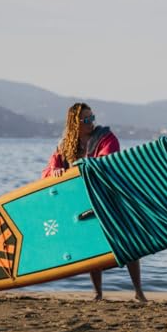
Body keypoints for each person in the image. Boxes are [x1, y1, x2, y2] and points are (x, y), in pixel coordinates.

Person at [41, 102, 148, 302]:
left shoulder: (107, 138)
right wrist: (56, 170)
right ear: (75, 123)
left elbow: (107, 162)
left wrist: (77, 167)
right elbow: (49, 171)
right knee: (93, 245)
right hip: (84, 200)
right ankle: (98, 293)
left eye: (92, 118)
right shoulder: (65, 145)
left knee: (130, 243)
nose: (91, 122)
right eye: (86, 119)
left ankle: (139, 292)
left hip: (110, 198)